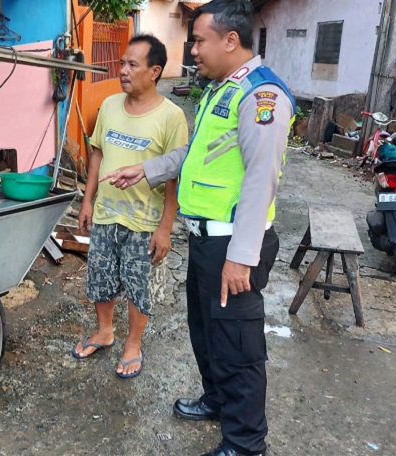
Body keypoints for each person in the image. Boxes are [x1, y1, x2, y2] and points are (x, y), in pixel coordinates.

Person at [100, 1, 295, 454]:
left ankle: (246, 443)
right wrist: (146, 170)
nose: (193, 50)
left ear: (231, 40)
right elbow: (192, 157)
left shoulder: (261, 96)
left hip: (234, 245)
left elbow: (259, 180)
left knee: (237, 345)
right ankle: (217, 401)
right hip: (207, 241)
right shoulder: (220, 90)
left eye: (199, 40)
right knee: (206, 330)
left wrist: (242, 256)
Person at [71, 34, 188, 379]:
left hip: (144, 221)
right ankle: (105, 332)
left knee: (138, 286)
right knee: (100, 279)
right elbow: (97, 154)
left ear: (154, 72)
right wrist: (87, 201)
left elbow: (173, 177)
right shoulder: (108, 106)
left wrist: (165, 228)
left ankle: (133, 344)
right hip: (107, 213)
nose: (122, 70)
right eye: (122, 63)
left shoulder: (172, 117)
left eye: (131, 64)